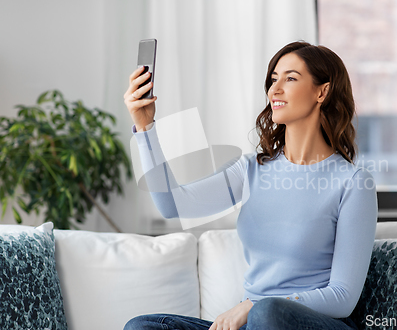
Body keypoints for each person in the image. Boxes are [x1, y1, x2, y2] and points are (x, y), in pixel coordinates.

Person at [123, 41, 378, 330]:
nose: (275, 89)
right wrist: (145, 129)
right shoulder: (250, 170)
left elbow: (342, 298)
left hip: (311, 324)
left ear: (322, 91)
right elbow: (172, 205)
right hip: (253, 323)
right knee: (142, 326)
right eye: (273, 79)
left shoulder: (353, 183)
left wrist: (256, 306)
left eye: (290, 78)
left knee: (267, 314)